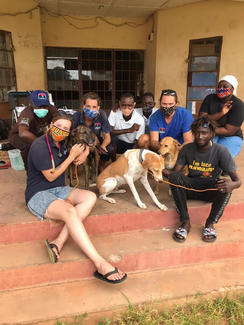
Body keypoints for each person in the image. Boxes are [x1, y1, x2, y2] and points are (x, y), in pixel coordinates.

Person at [25, 115, 127, 284]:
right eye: (58, 126)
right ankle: (99, 262)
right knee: (70, 211)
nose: (62, 131)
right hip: (38, 194)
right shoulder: (40, 146)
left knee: (90, 197)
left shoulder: (64, 141)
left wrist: (86, 153)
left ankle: (58, 242)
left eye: (66, 129)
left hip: (59, 190)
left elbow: (91, 142)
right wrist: (72, 157)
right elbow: (51, 177)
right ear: (51, 125)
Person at [163, 116, 241, 243]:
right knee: (175, 176)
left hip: (210, 189)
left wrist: (232, 185)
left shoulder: (221, 151)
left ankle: (210, 224)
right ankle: (185, 222)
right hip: (190, 187)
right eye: (197, 132)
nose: (200, 136)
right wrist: (160, 170)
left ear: (212, 133)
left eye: (204, 133)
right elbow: (175, 173)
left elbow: (237, 181)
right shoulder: (187, 149)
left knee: (225, 183)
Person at [8, 90, 59, 169]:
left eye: (45, 106)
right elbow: (23, 133)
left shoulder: (51, 109)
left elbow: (59, 120)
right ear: (31, 104)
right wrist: (41, 143)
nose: (42, 108)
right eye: (39, 106)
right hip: (17, 135)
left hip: (37, 133)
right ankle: (30, 171)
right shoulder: (26, 113)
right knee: (28, 147)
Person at [199, 75, 244, 158]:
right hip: (211, 134)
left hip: (231, 137)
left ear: (232, 89)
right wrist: (221, 113)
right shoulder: (210, 98)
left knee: (222, 158)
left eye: (225, 86)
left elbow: (228, 131)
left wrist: (206, 129)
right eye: (219, 86)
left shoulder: (238, 105)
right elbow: (202, 118)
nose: (221, 88)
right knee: (204, 156)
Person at [72, 92, 114, 170]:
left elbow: (107, 137)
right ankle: (75, 168)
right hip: (80, 143)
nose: (91, 109)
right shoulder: (76, 116)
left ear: (98, 108)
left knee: (109, 149)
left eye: (94, 107)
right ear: (83, 106)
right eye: (88, 106)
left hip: (95, 141)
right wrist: (86, 150)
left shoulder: (101, 114)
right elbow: (74, 138)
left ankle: (99, 166)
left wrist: (103, 146)